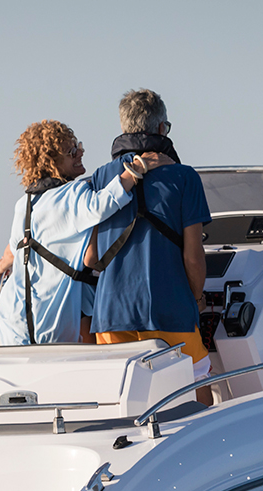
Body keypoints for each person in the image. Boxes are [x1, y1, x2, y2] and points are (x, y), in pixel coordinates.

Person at [85, 89, 212, 402]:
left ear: (124, 127)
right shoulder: (184, 177)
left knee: (127, 398)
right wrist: (197, 298)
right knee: (198, 388)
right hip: (170, 307)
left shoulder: (101, 177)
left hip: (111, 312)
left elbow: (91, 257)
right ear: (161, 128)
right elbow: (193, 257)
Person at [0, 120, 161, 346]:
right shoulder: (72, 194)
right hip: (49, 326)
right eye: (72, 151)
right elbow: (105, 203)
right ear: (52, 162)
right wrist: (139, 166)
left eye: (78, 146)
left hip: (10, 322)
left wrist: (3, 264)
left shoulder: (24, 203)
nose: (81, 152)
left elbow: (15, 247)